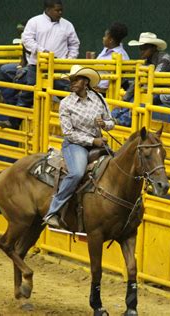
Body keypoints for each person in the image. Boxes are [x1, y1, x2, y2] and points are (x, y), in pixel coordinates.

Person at [43, 65, 114, 227]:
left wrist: (104, 124)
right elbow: (68, 133)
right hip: (75, 145)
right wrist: (92, 141)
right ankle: (53, 211)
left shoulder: (99, 99)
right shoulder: (66, 104)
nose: (72, 83)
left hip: (98, 143)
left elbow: (111, 123)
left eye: (76, 80)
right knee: (76, 173)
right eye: (71, 80)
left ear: (86, 82)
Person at [0, 0, 80, 129]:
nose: (60, 13)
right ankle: (13, 122)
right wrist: (41, 51)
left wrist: (69, 60)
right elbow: (27, 39)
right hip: (37, 66)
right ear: (48, 9)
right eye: (57, 10)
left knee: (66, 93)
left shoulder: (67, 25)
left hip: (59, 67)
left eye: (61, 10)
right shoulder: (34, 22)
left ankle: (79, 123)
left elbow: (74, 43)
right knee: (27, 95)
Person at [111, 32, 170, 126]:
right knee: (137, 95)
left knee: (142, 97)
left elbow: (156, 78)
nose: (141, 51)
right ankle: (113, 116)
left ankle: (122, 120)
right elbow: (138, 82)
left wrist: (141, 88)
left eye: (144, 48)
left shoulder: (164, 58)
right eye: (140, 48)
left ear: (153, 48)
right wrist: (124, 101)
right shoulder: (147, 62)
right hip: (157, 90)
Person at [95, 22, 130, 94]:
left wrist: (101, 89)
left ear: (110, 40)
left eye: (105, 36)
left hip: (106, 92)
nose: (103, 38)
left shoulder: (121, 56)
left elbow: (119, 79)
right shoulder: (106, 49)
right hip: (94, 87)